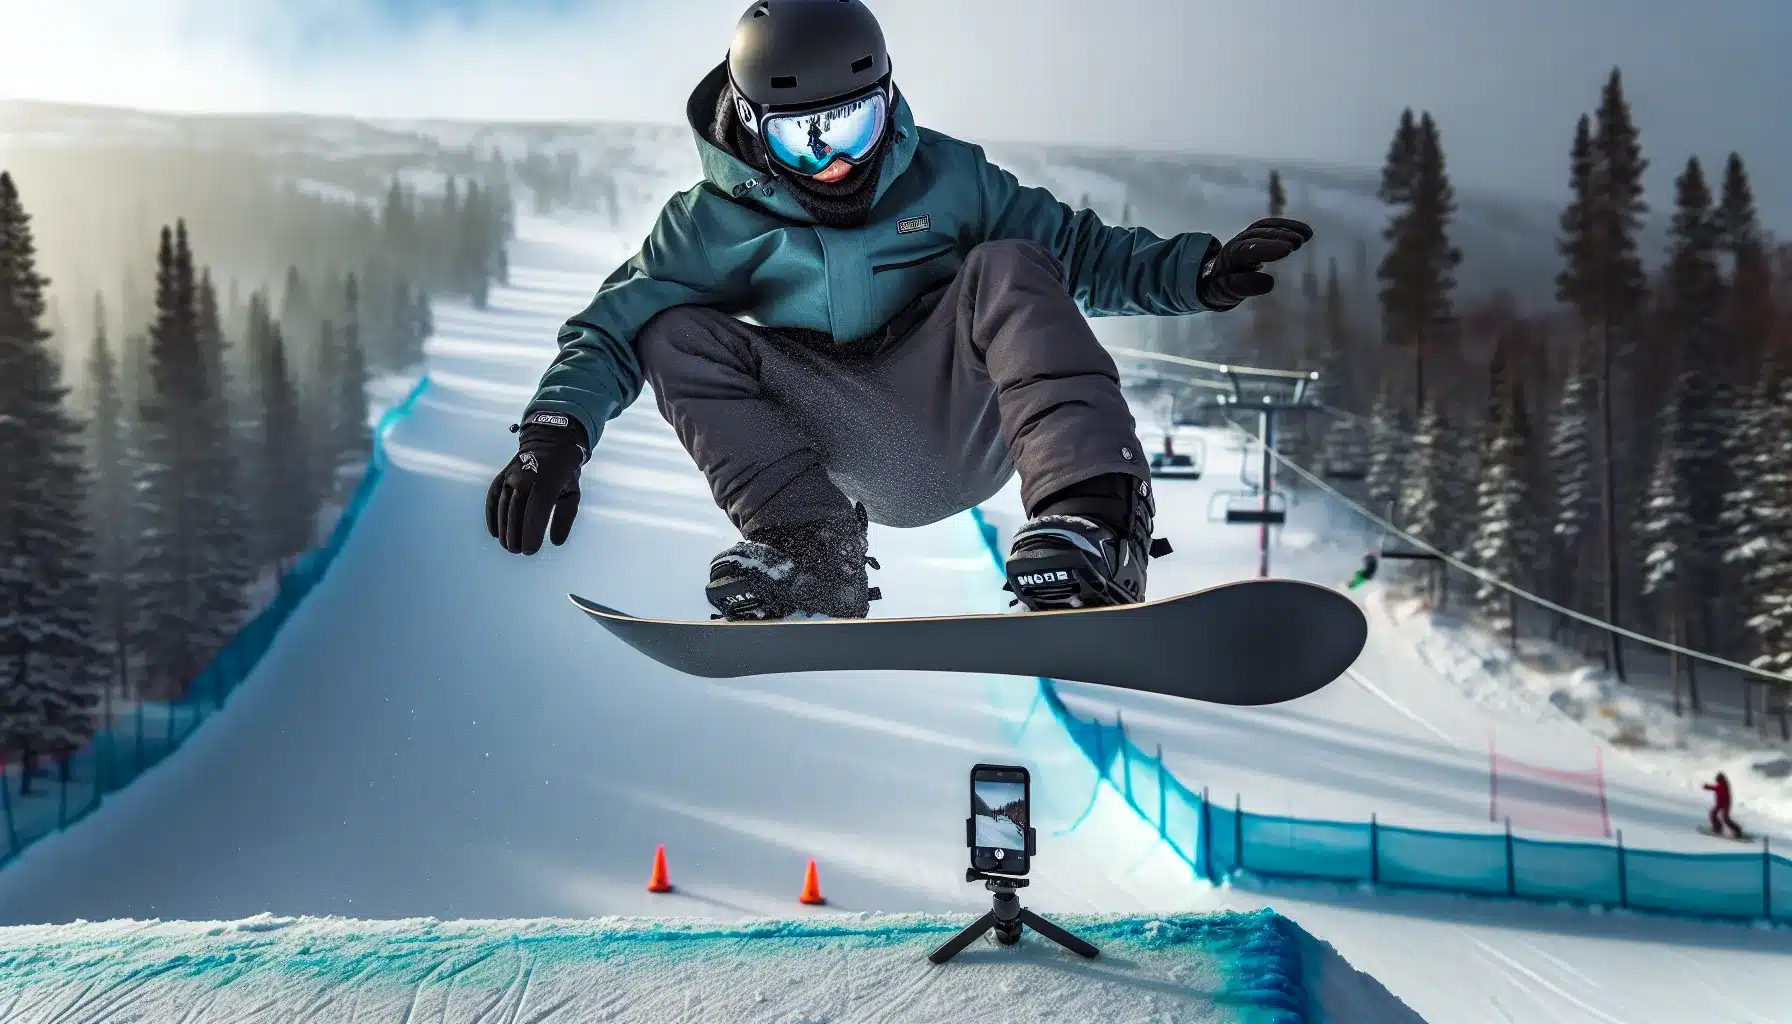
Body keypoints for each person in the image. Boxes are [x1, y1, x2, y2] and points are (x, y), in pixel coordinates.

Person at [485, 0, 1312, 621]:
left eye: (857, 124)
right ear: (748, 127)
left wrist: (1198, 272)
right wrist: (553, 433)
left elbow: (1080, 253)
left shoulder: (948, 179)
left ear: (889, 96)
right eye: (804, 141)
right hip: (833, 440)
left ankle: (1093, 522)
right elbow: (612, 328)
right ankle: (810, 554)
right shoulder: (707, 225)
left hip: (962, 410)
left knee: (1011, 263)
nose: (840, 162)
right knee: (670, 331)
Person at [1703, 771, 1744, 839]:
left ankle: (1738, 831)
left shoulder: (1723, 785)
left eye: (1717, 779)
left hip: (1725, 804)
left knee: (1725, 819)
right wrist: (1707, 787)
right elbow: (1716, 788)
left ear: (1720, 779)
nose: (1717, 781)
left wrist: (1707, 787)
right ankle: (1718, 828)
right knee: (1713, 814)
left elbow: (1716, 788)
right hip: (1720, 803)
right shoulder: (1721, 784)